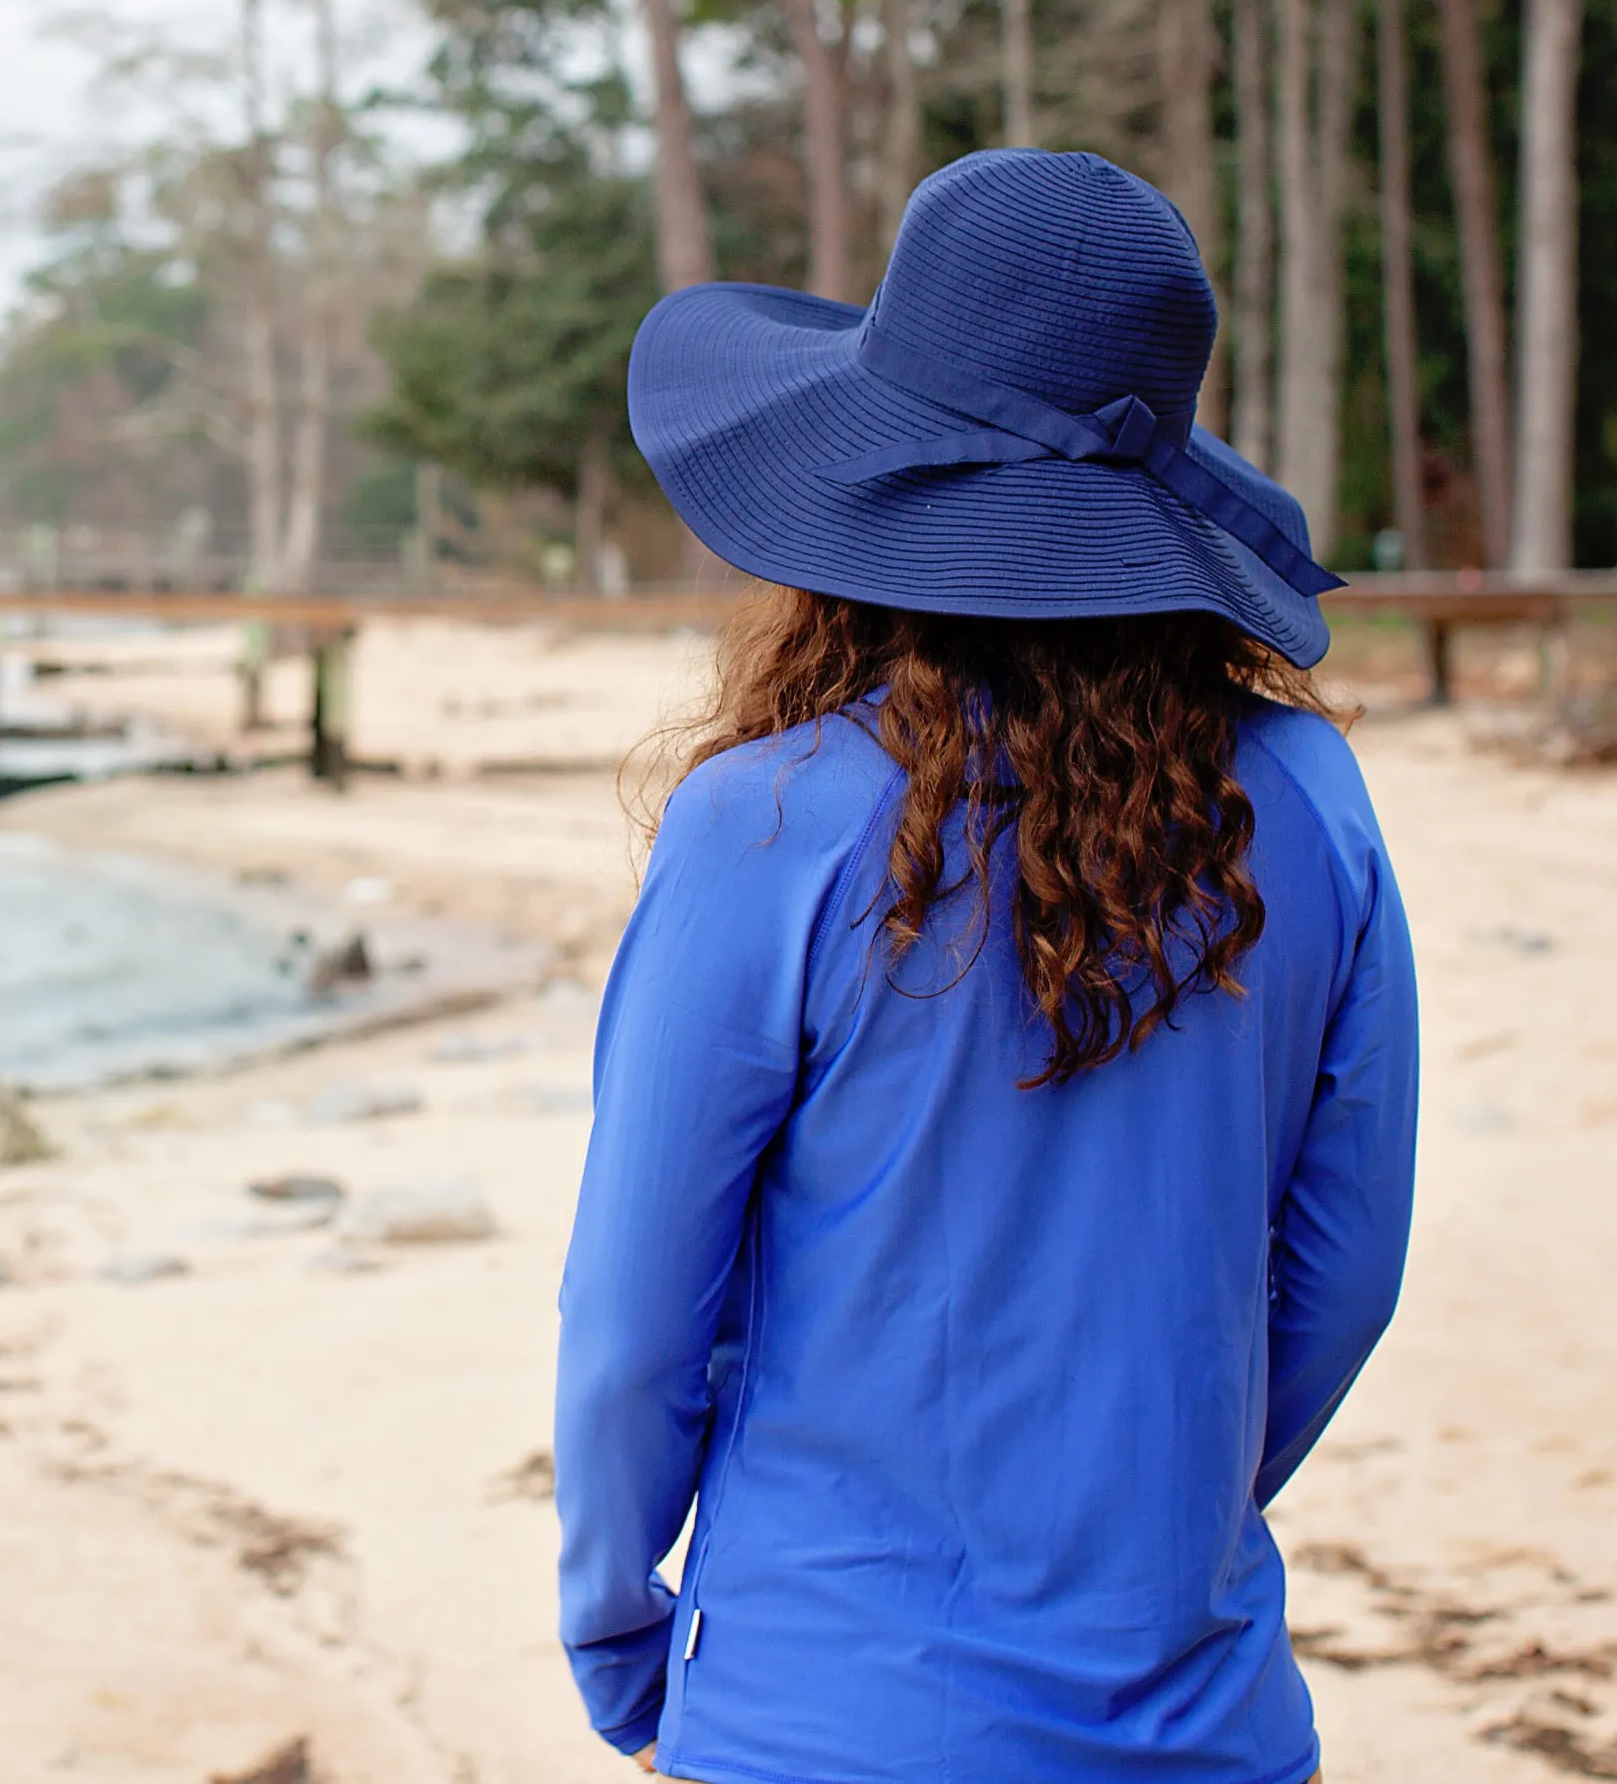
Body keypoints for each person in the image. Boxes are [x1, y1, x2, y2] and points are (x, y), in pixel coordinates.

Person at [554, 150, 1416, 1784]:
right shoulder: (1310, 797)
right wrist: (1159, 1517)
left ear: (864, 479)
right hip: (1203, 1718)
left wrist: (615, 1618)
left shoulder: (768, 822)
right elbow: (1343, 1273)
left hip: (827, 1710)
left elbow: (630, 1318)